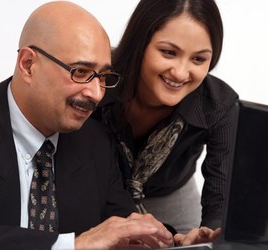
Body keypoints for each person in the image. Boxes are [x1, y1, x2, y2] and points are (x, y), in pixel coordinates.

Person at [0, 1, 175, 249]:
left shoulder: (96, 142)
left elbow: (125, 227)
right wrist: (71, 246)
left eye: (103, 77)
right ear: (28, 64)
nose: (96, 93)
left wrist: (171, 241)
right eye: (81, 72)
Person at [93, 0, 239, 244]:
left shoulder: (219, 106)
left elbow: (221, 196)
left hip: (172, 196)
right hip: (97, 193)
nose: (181, 73)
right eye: (169, 53)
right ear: (141, 43)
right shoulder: (97, 78)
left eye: (199, 59)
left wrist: (207, 233)